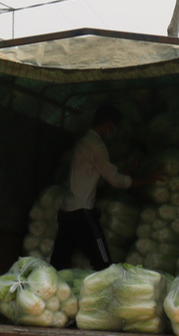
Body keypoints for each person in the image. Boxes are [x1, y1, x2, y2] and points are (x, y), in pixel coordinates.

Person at [52, 104, 132, 270]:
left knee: (59, 262)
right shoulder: (96, 146)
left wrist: (129, 170)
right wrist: (145, 180)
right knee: (104, 263)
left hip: (67, 211)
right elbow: (115, 180)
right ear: (109, 124)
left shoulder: (83, 143)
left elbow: (97, 178)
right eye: (114, 128)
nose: (113, 132)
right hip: (83, 213)